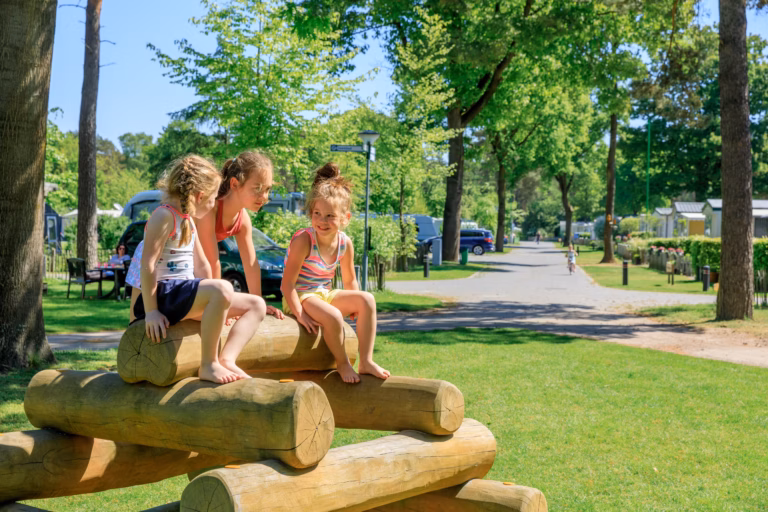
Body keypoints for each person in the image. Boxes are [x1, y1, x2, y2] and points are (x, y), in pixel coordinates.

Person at [133, 154, 266, 384]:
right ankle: (209, 364)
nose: (215, 204)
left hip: (181, 296)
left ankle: (227, 359)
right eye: (214, 198)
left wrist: (220, 302)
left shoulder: (188, 220)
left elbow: (202, 265)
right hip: (162, 296)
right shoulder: (164, 216)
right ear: (200, 195)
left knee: (256, 305)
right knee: (223, 287)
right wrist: (151, 311)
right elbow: (147, 265)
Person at [281, 162, 390, 384]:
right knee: (333, 317)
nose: (322, 220)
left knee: (367, 300)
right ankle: (342, 363)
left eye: (330, 215)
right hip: (300, 295)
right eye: (317, 213)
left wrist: (356, 308)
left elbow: (350, 279)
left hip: (323, 293)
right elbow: (287, 285)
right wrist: (300, 314)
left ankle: (366, 361)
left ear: (345, 218)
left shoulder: (344, 243)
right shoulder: (304, 239)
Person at [197, 150, 284, 320]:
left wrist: (259, 303)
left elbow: (251, 265)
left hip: (193, 268)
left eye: (267, 189)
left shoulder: (242, 219)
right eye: (257, 188)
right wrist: (218, 307)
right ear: (235, 184)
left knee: (249, 305)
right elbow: (212, 261)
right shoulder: (210, 210)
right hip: (164, 264)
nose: (264, 197)